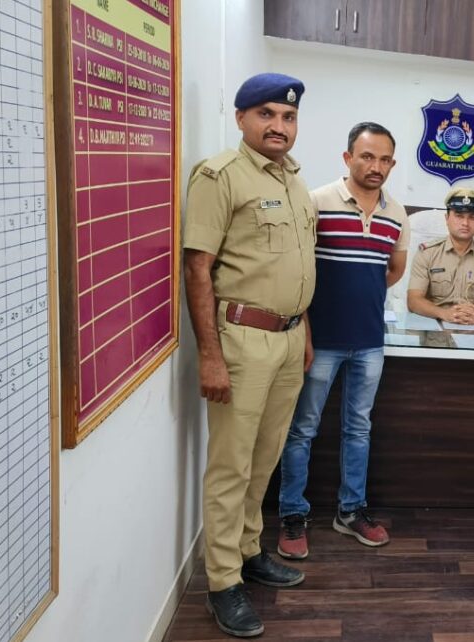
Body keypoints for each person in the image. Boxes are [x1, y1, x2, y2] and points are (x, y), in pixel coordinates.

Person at [182, 72, 310, 638]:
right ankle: (222, 581)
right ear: (241, 119)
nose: (278, 126)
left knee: (265, 457)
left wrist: (303, 331)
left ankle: (249, 550)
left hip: (289, 339)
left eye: (288, 117)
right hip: (241, 341)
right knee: (231, 464)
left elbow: (296, 267)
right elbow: (197, 268)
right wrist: (209, 356)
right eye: (266, 114)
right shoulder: (220, 176)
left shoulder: (294, 181)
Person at [277, 122, 410, 558]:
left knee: (359, 429)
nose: (376, 166)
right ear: (348, 157)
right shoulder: (316, 202)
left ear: (392, 164)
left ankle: (350, 511)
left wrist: (359, 295)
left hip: (369, 341)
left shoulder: (397, 213)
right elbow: (300, 270)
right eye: (367, 156)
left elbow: (393, 270)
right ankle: (292, 514)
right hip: (320, 341)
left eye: (384, 159)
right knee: (302, 429)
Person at [407, 188, 474, 324]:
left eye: (472, 217)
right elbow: (413, 300)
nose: (465, 223)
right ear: (447, 218)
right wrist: (444, 314)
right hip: (435, 324)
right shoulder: (427, 254)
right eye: (459, 216)